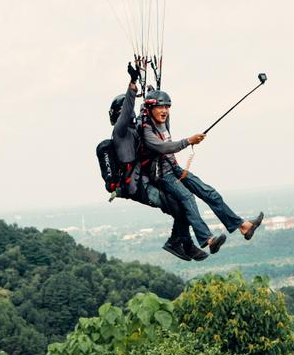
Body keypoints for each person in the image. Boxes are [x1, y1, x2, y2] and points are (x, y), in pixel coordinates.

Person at [141, 88, 264, 253]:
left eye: (167, 107)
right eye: (160, 107)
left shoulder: (163, 121)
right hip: (162, 175)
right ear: (149, 109)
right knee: (187, 197)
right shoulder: (145, 130)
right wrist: (188, 141)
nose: (165, 111)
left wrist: (152, 91)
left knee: (208, 192)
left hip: (175, 168)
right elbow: (163, 147)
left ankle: (243, 226)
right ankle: (208, 239)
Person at [110, 63, 211, 262]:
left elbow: (146, 116)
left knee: (180, 202)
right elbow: (129, 110)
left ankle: (179, 242)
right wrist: (132, 84)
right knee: (178, 204)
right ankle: (182, 243)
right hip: (138, 186)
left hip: (148, 178)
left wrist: (152, 94)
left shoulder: (136, 128)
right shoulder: (120, 132)